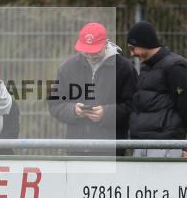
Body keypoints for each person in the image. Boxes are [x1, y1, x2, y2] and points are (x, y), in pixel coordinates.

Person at [48, 22, 136, 157]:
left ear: (106, 43)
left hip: (111, 152)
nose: (90, 55)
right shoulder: (67, 68)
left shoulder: (125, 68)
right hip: (76, 151)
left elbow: (134, 107)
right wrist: (73, 111)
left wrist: (106, 113)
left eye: (95, 51)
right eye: (86, 51)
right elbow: (55, 104)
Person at [127, 21, 187, 157]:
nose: (131, 53)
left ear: (144, 43)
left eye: (132, 48)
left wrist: (175, 137)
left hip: (164, 146)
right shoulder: (147, 68)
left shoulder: (175, 67)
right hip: (142, 146)